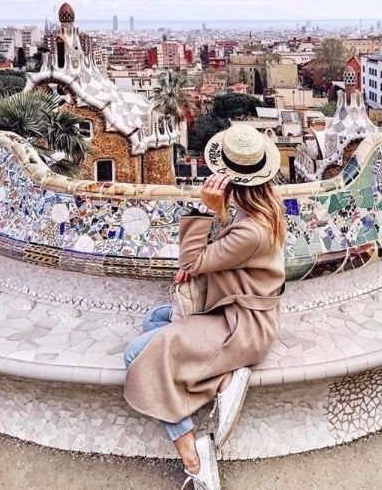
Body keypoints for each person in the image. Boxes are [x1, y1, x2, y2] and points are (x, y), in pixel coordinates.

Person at [124, 124, 286, 490]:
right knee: (155, 320)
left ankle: (193, 454)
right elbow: (219, 256)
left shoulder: (251, 229)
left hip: (241, 328)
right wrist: (218, 221)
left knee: (137, 354)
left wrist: (204, 209)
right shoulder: (263, 209)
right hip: (238, 314)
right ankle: (223, 377)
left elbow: (192, 261)